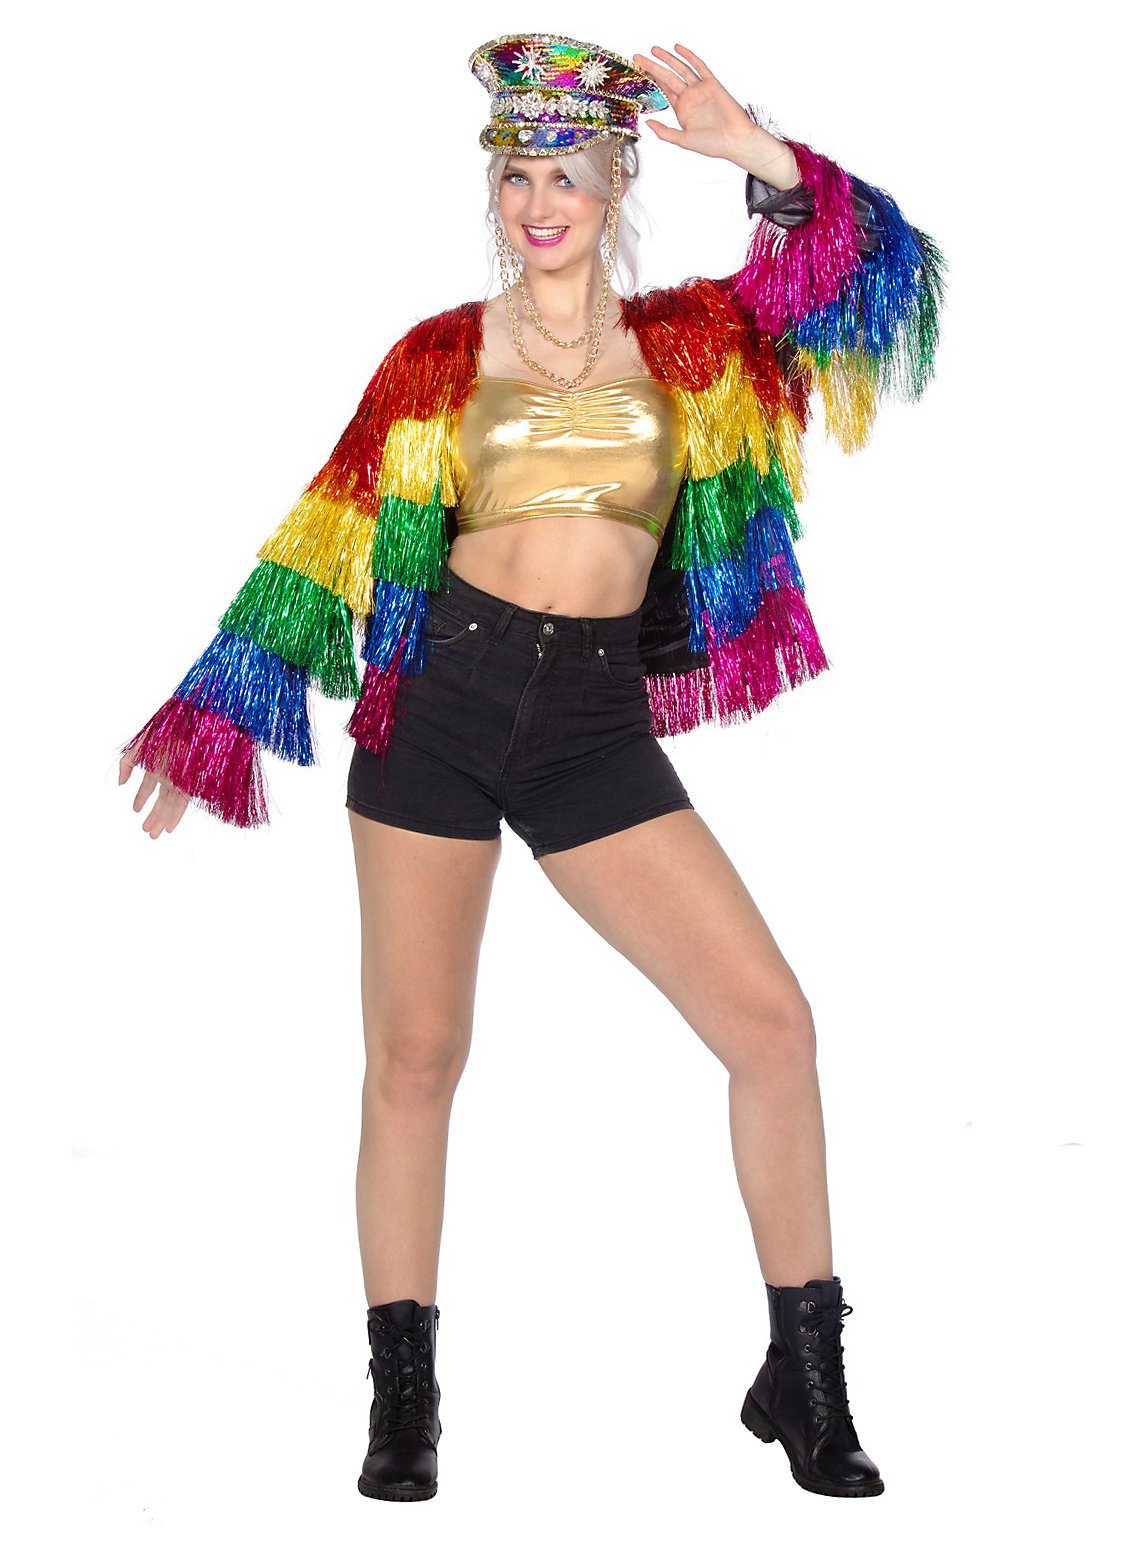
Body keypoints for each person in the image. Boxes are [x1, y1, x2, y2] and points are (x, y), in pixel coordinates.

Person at [117, 31, 944, 1504]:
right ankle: (405, 1404)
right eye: (517, 175)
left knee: (773, 1027)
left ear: (616, 179)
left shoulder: (699, 342)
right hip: (437, 708)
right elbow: (323, 535)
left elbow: (882, 280)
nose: (539, 201)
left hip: (589, 727)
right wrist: (214, 713)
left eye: (565, 172)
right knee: (417, 1055)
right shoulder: (438, 355)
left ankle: (806, 1381)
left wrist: (754, 150)